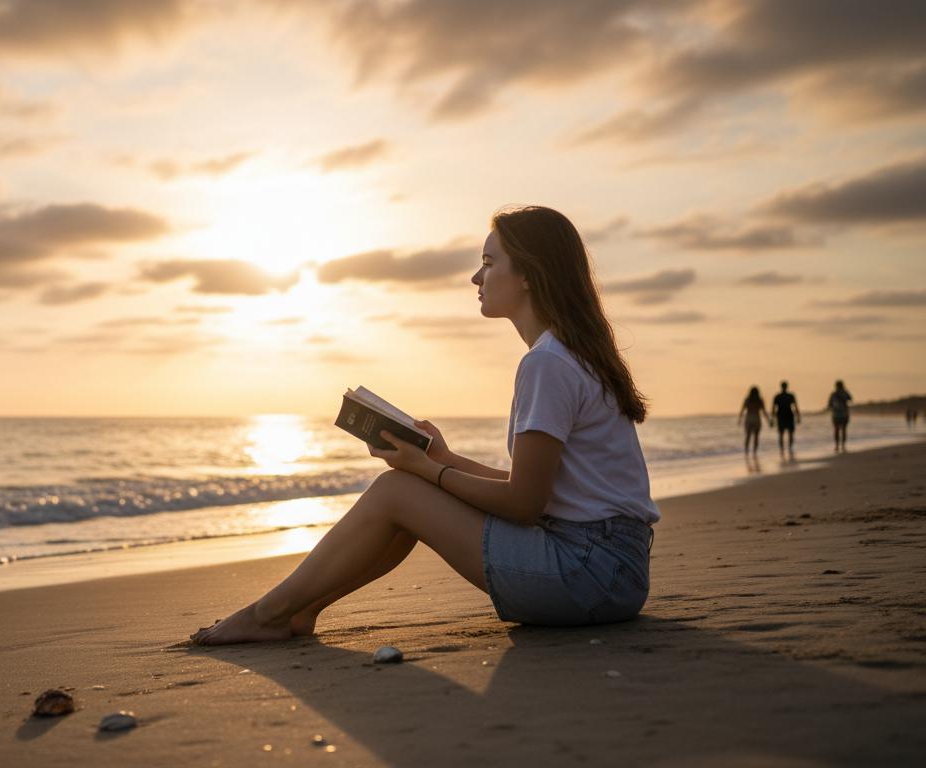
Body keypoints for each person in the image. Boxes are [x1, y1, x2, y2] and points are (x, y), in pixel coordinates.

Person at [191, 205, 659, 644]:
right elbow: (548, 492)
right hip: (612, 571)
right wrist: (443, 459)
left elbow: (524, 504)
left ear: (528, 277)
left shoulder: (547, 364)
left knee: (397, 491)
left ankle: (267, 614)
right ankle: (299, 610)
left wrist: (425, 470)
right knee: (407, 490)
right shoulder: (573, 356)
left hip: (586, 575)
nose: (476, 276)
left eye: (489, 263)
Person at [738, 386, 770, 455]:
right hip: (756, 419)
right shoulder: (760, 400)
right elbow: (764, 412)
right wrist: (768, 420)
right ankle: (754, 452)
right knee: (756, 436)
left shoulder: (747, 400)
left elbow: (742, 410)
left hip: (749, 418)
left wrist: (740, 419)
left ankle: (746, 451)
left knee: (748, 436)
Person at [772, 381, 801, 458]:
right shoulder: (790, 396)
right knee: (790, 433)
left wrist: (772, 419)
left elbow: (773, 409)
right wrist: (798, 416)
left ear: (781, 387)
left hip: (781, 416)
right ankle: (789, 448)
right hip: (788, 416)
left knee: (781, 434)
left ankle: (782, 449)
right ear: (786, 387)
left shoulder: (777, 396)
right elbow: (796, 407)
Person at [827, 381, 852, 452]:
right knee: (843, 430)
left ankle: (837, 445)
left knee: (837, 430)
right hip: (844, 414)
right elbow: (850, 399)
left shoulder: (833, 394)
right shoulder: (845, 393)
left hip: (837, 415)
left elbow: (829, 404)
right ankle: (842, 445)